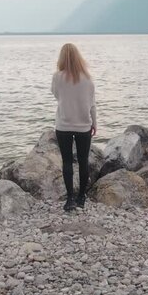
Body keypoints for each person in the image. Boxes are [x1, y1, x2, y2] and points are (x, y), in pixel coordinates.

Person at [51, 43, 97, 211]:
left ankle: (70, 198)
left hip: (63, 125)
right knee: (83, 161)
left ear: (62, 58)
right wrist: (95, 123)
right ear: (79, 57)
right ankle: (81, 197)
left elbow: (56, 95)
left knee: (67, 161)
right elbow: (92, 105)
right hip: (83, 126)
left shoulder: (57, 77)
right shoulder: (88, 79)